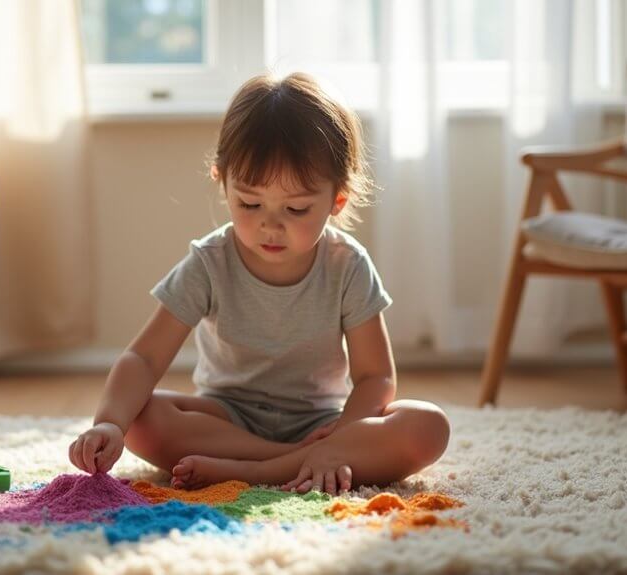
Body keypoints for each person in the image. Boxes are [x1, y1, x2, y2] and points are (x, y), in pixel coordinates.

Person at [68, 72, 450, 495]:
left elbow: (376, 377)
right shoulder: (209, 263)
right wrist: (109, 422)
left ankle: (259, 470)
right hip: (227, 419)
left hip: (322, 423)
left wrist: (341, 437)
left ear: (336, 201)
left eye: (297, 208)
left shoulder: (347, 265)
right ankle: (289, 463)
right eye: (249, 203)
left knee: (428, 425)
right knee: (140, 417)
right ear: (223, 181)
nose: (271, 224)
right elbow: (143, 359)